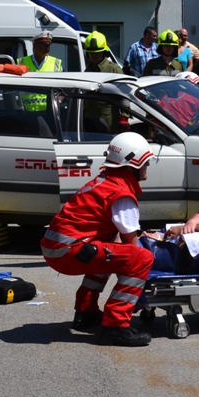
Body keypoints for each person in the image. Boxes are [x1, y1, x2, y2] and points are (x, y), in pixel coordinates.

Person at [40, 132, 157, 346]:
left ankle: (86, 313)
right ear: (133, 164)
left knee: (109, 253)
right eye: (146, 163)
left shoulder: (104, 181)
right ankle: (116, 326)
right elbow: (131, 246)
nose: (147, 167)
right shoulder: (122, 193)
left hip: (57, 246)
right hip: (68, 250)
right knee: (142, 258)